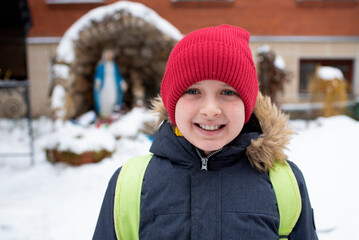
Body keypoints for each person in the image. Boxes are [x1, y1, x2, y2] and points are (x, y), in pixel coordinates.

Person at [93, 25, 318, 239]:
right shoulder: (131, 186)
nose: (211, 110)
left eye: (227, 92)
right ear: (173, 103)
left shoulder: (282, 183)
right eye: (193, 91)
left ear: (247, 105)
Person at [94, 49, 127, 121]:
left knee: (113, 99)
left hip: (113, 85)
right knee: (104, 100)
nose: (109, 56)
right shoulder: (101, 64)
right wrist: (98, 82)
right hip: (104, 86)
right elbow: (98, 75)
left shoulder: (114, 65)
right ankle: (103, 116)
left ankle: (112, 116)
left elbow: (118, 75)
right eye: (107, 54)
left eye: (110, 55)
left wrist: (122, 82)